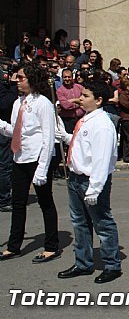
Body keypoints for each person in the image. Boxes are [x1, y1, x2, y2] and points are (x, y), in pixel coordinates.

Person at [55, 80, 122, 283]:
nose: (80, 98)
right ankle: (83, 262)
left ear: (99, 100)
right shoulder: (87, 119)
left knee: (102, 222)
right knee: (79, 222)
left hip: (90, 181)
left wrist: (94, 189)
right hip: (76, 178)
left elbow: (101, 159)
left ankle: (112, 265)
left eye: (85, 96)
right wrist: (66, 137)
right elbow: (85, 147)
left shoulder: (102, 124)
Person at [0, 62, 60, 262]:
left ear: (32, 80)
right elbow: (17, 130)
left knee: (45, 202)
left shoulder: (43, 103)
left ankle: (51, 246)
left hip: (37, 158)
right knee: (18, 203)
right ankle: (13, 246)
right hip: (20, 157)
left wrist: (42, 169)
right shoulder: (18, 102)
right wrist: (1, 126)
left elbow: (48, 137)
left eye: (21, 77)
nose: (17, 81)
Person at [0, 67, 19, 211]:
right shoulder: (5, 88)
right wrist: (12, 86)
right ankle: (4, 199)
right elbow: (5, 105)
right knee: (4, 165)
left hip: (7, 129)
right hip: (3, 130)